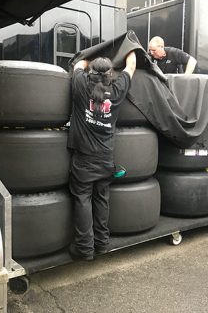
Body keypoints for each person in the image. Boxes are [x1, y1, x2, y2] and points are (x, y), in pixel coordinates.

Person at [67, 51, 137, 261]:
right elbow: (131, 64)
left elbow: (79, 64)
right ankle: (102, 244)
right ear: (110, 75)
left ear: (91, 73)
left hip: (84, 160)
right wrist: (129, 43)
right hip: (106, 160)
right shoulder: (117, 91)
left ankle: (85, 249)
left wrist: (90, 56)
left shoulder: (80, 85)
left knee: (82, 200)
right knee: (101, 199)